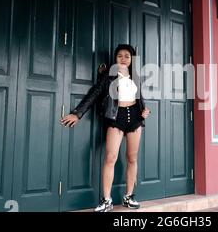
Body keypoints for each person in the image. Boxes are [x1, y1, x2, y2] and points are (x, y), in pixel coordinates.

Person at [60, 44, 150, 212]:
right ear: (115, 58)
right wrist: (77, 113)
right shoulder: (109, 76)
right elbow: (94, 94)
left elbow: (140, 99)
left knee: (132, 158)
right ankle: (106, 200)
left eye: (127, 56)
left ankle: (129, 197)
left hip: (135, 119)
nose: (123, 59)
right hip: (116, 117)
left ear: (131, 60)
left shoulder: (135, 77)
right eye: (120, 56)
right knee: (110, 157)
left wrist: (145, 111)